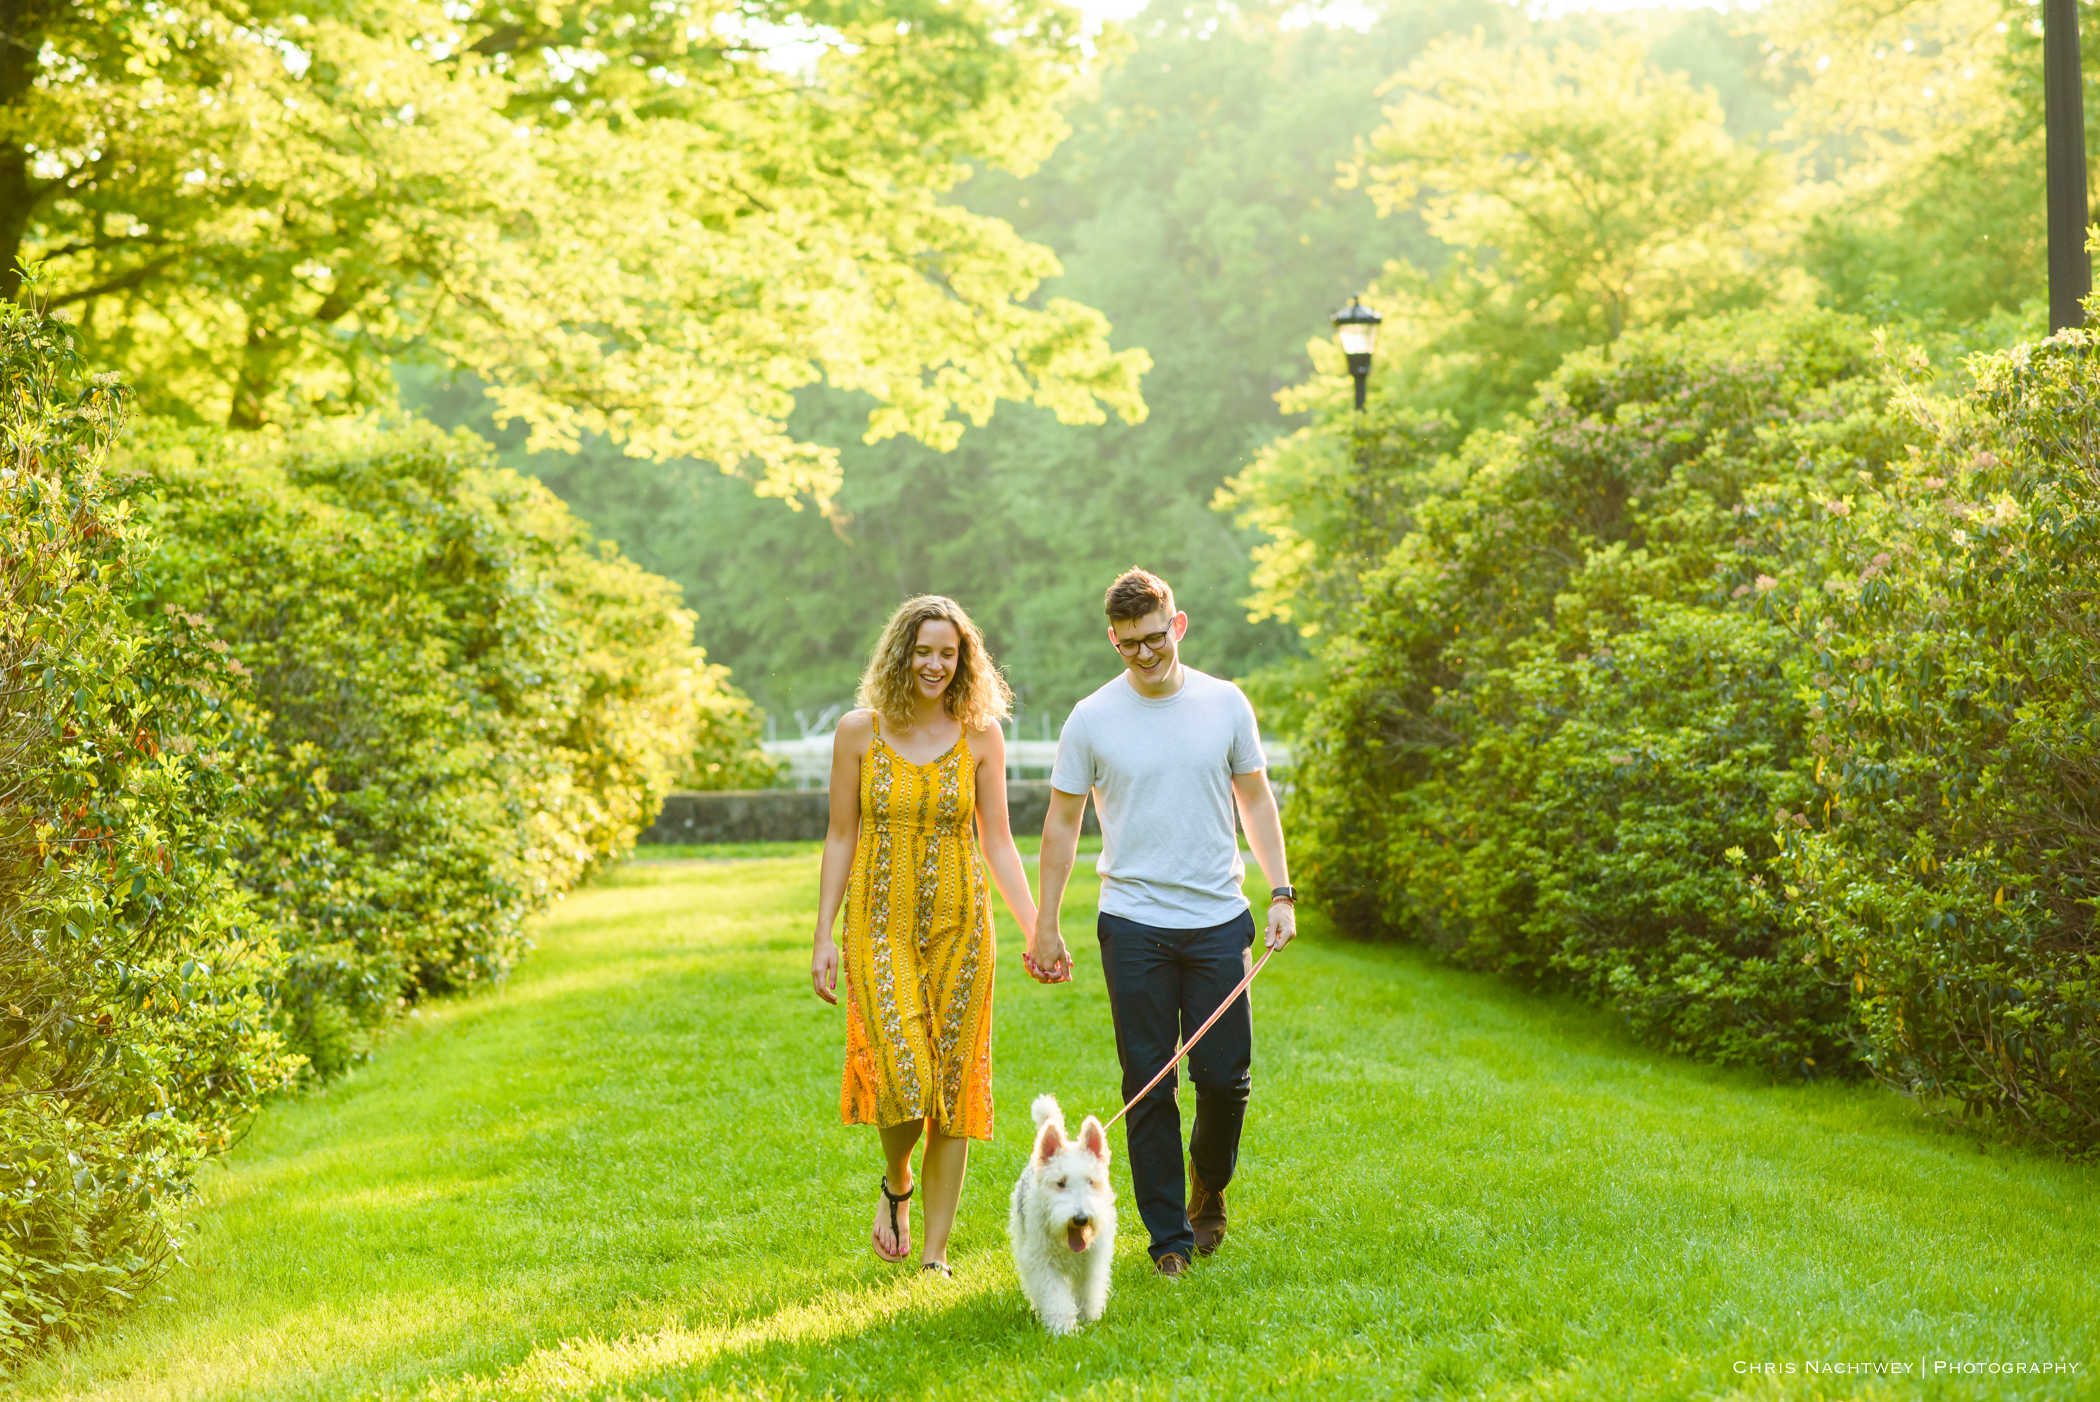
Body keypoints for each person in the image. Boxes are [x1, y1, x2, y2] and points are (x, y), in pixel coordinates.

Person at [1030, 567, 1296, 1281]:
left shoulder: (1225, 703)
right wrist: (1046, 923)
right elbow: (1062, 822)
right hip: (1133, 920)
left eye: (1156, 638)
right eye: (1130, 645)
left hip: (1217, 918)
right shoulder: (1091, 718)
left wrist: (1281, 891)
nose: (1146, 654)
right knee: (1147, 1082)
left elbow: (1257, 801)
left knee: (1223, 1078)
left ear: (1176, 625)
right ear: (1113, 640)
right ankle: (1169, 1238)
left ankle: (1209, 1181)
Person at [809, 595, 1041, 1277]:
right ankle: (897, 1179)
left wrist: (1037, 930)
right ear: (900, 654)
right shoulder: (860, 732)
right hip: (878, 925)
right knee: (905, 1073)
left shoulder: (981, 737)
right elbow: (840, 834)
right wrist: (822, 934)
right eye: (924, 652)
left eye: (948, 653)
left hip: (962, 929)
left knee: (953, 1086)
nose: (935, 664)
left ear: (964, 660)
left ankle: (934, 1257)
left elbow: (998, 842)